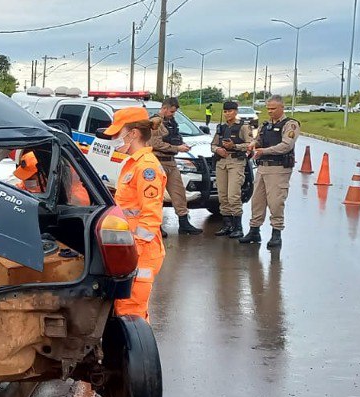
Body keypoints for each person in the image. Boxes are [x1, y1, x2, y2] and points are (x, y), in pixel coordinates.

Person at [104, 106, 166, 321]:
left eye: (118, 134)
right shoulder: (133, 164)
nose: (115, 140)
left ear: (133, 134)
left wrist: (134, 249)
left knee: (132, 313)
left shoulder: (146, 167)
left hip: (140, 251)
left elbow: (151, 215)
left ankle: (138, 353)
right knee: (123, 308)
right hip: (130, 247)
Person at [240, 95, 299, 249]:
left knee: (275, 202)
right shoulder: (265, 125)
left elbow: (286, 146)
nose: (270, 111)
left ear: (282, 108)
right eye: (268, 109)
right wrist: (253, 144)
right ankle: (254, 230)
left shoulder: (290, 125)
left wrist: (264, 151)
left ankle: (276, 233)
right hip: (262, 168)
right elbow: (258, 139)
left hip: (278, 169)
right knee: (257, 201)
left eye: (273, 109)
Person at [149, 97, 201, 235]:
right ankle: (156, 226)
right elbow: (155, 144)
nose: (173, 114)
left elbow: (175, 137)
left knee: (179, 193)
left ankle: (184, 223)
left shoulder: (171, 122)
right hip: (157, 161)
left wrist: (181, 146)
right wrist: (177, 148)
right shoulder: (156, 122)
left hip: (171, 162)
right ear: (164, 108)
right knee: (156, 195)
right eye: (171, 111)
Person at [211, 101, 254, 238]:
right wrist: (218, 149)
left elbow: (249, 145)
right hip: (221, 162)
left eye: (230, 111)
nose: (227, 114)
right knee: (223, 195)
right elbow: (213, 144)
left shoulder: (243, 127)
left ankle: (238, 227)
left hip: (236, 161)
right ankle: (227, 224)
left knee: (233, 195)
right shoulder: (221, 128)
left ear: (236, 112)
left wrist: (234, 146)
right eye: (225, 111)